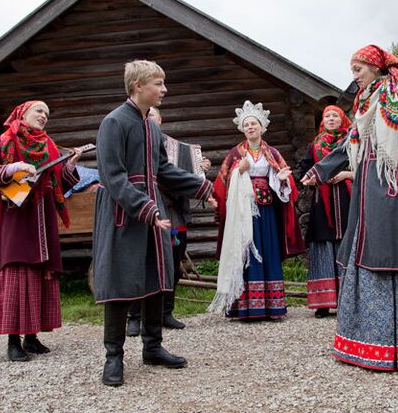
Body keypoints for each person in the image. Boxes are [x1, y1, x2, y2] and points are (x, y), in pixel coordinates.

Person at [301, 45, 398, 371]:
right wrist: (320, 170)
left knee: (393, 253)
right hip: (368, 190)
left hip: (395, 184)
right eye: (353, 69)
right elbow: (349, 144)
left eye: (358, 68)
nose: (354, 75)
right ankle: (367, 341)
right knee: (365, 252)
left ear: (375, 67)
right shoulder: (364, 104)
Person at [92, 60, 217, 387]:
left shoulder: (152, 126)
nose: (164, 90)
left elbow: (164, 171)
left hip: (153, 214)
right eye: (158, 84)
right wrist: (146, 208)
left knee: (156, 277)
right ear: (138, 86)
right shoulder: (113, 123)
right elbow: (114, 178)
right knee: (120, 285)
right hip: (123, 214)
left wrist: (202, 186)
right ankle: (113, 357)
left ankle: (153, 347)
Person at [0, 100, 81, 362]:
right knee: (16, 271)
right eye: (39, 111)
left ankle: (32, 337)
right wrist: (14, 168)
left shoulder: (49, 145)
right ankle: (13, 341)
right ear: (22, 113)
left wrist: (70, 164)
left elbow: (58, 181)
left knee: (38, 273)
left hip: (42, 217)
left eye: (47, 113)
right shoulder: (3, 141)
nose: (44, 116)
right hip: (14, 217)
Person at [209, 100, 305, 320]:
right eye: (247, 124)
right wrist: (238, 171)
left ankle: (271, 306)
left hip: (267, 211)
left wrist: (282, 180)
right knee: (244, 252)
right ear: (242, 129)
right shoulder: (235, 153)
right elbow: (221, 183)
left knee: (267, 250)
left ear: (262, 127)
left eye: (254, 123)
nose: (251, 127)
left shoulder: (272, 153)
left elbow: (286, 180)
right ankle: (245, 307)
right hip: (243, 212)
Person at [126, 107, 212, 335]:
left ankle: (165, 313)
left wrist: (198, 170)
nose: (150, 120)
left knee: (173, 266)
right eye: (147, 117)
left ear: (160, 121)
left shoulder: (177, 148)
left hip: (174, 215)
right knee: (142, 267)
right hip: (148, 212)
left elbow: (186, 179)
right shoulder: (135, 146)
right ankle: (133, 317)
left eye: (153, 117)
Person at [298, 105, 353, 318]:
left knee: (346, 243)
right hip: (322, 202)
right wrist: (313, 179)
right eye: (327, 116)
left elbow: (364, 166)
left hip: (347, 198)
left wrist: (346, 174)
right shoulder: (315, 145)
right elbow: (304, 171)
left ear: (342, 120)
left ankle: (347, 301)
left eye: (335, 116)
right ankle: (324, 302)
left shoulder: (352, 142)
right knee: (323, 245)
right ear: (322, 121)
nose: (331, 119)